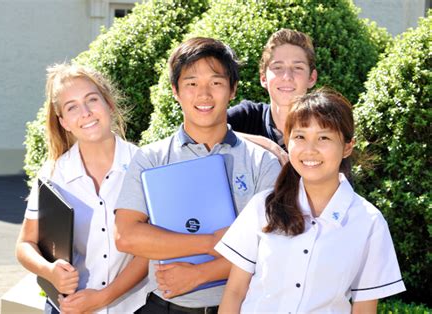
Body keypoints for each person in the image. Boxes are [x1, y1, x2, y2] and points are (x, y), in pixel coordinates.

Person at [114, 37, 282, 313]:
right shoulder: (151, 158)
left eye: (216, 83)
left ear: (233, 90)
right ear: (175, 91)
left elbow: (271, 247)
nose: (204, 94)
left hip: (239, 306)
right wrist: (211, 242)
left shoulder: (261, 162)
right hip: (164, 306)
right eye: (191, 83)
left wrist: (200, 274)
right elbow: (127, 236)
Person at [216, 88, 406, 313]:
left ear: (347, 146)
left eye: (323, 137)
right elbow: (235, 291)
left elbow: (364, 309)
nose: (310, 149)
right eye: (300, 137)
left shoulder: (369, 222)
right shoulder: (263, 206)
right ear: (288, 141)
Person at [15, 63, 147, 314]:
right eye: (72, 107)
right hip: (69, 309)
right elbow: (24, 245)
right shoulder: (53, 174)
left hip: (133, 307)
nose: (85, 112)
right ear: (63, 122)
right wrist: (49, 271)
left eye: (91, 100)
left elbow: (151, 249)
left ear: (108, 104)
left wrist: (103, 298)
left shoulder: (144, 166)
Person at [228, 28, 318, 165]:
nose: (287, 76)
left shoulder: (326, 128)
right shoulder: (246, 117)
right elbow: (197, 133)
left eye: (297, 68)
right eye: (278, 67)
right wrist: (267, 145)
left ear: (311, 78)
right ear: (263, 78)